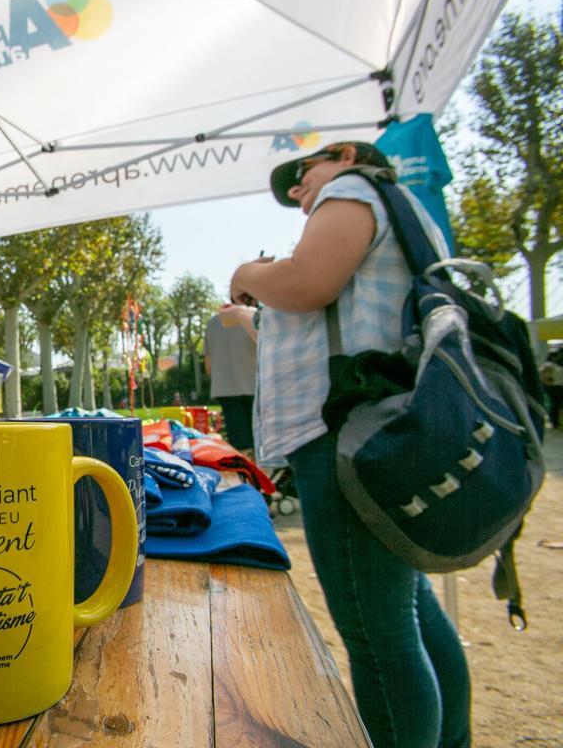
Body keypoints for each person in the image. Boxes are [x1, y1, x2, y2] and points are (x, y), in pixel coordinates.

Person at [230, 142, 469, 748]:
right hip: (380, 430)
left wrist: (247, 275)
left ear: (341, 155)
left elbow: (308, 284)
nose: (299, 194)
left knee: (375, 634)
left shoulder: (352, 191)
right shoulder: (403, 211)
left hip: (344, 436)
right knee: (410, 614)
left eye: (302, 179)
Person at [203, 303, 257, 454]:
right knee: (259, 440)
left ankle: (245, 471)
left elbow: (208, 365)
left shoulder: (213, 322)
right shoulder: (256, 317)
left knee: (239, 441)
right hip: (255, 386)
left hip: (225, 387)